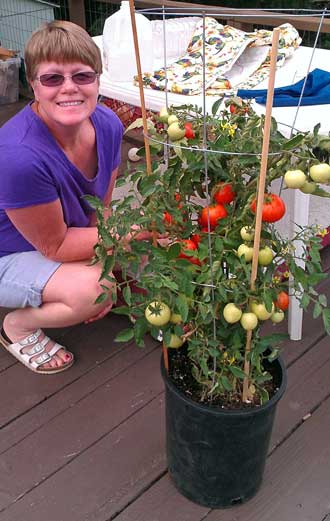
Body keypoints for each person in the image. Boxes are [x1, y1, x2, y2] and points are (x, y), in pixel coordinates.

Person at [0, 20, 150, 374]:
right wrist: (107, 268)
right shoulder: (18, 156)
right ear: (33, 85)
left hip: (53, 237)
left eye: (82, 76)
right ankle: (17, 326)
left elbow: (100, 211)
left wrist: (108, 259)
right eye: (52, 78)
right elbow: (55, 246)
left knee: (135, 254)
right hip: (8, 253)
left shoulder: (109, 124)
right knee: (91, 290)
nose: (69, 88)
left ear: (98, 80)